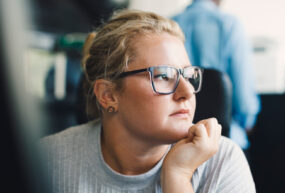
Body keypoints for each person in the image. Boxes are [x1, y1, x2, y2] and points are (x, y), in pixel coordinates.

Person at [39, 9, 255, 193]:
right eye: (162, 75)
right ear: (108, 95)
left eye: (188, 76)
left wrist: (178, 176)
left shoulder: (222, 162)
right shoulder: (47, 160)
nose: (187, 92)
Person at [173, 0, 260, 149]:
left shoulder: (170, 24)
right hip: (224, 137)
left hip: (179, 137)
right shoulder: (229, 24)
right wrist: (248, 120)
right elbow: (242, 90)